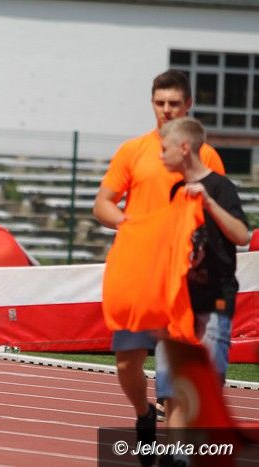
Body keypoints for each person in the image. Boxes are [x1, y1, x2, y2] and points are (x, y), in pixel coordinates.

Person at [93, 69, 225, 466]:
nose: (166, 110)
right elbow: (102, 204)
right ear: (152, 103)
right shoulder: (133, 151)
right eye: (160, 103)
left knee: (174, 370)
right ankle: (143, 413)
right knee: (126, 363)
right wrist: (128, 223)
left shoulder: (206, 156)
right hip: (136, 274)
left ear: (188, 105)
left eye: (174, 103)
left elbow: (217, 211)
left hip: (181, 280)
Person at [157, 117, 248, 431]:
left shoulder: (222, 187)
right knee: (169, 388)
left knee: (207, 385)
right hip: (178, 302)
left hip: (215, 300)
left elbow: (241, 235)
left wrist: (209, 204)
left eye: (165, 149)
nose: (160, 155)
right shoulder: (174, 190)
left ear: (184, 148)